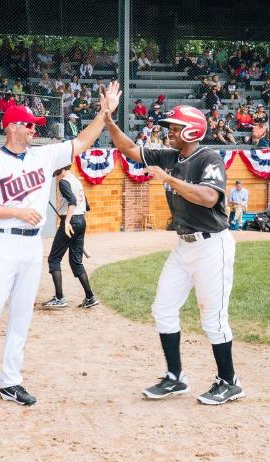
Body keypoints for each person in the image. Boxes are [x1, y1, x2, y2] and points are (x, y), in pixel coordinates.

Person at [0, 91, 120, 414]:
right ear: (12, 127)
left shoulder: (43, 156)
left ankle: (10, 381)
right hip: (2, 243)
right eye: (29, 125)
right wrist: (15, 212)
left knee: (21, 317)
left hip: (30, 245)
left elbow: (81, 142)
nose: (33, 130)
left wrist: (103, 114)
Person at [102, 82, 244, 406]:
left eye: (174, 128)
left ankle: (229, 380)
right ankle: (175, 377)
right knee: (163, 309)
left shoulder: (209, 159)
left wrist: (168, 178)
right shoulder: (171, 155)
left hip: (212, 246)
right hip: (184, 246)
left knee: (213, 318)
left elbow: (209, 198)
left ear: (191, 132)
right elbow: (129, 150)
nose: (168, 132)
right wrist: (109, 119)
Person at [42, 165, 98, 309]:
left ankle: (60, 299)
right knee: (76, 262)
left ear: (61, 167)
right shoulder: (76, 181)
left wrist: (67, 221)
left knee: (54, 259)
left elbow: (72, 201)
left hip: (70, 222)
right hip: (80, 221)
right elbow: (85, 205)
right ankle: (90, 297)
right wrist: (77, 224)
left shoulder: (63, 182)